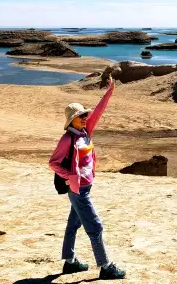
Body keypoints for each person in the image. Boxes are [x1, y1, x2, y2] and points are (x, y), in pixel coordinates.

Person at [49, 75, 126, 280]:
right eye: (80, 115)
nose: (84, 117)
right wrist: (71, 177)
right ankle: (106, 266)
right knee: (95, 226)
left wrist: (110, 91)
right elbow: (53, 163)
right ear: (71, 120)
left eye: (84, 115)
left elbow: (99, 112)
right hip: (78, 189)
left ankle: (70, 262)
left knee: (73, 224)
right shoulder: (68, 138)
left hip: (85, 186)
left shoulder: (85, 132)